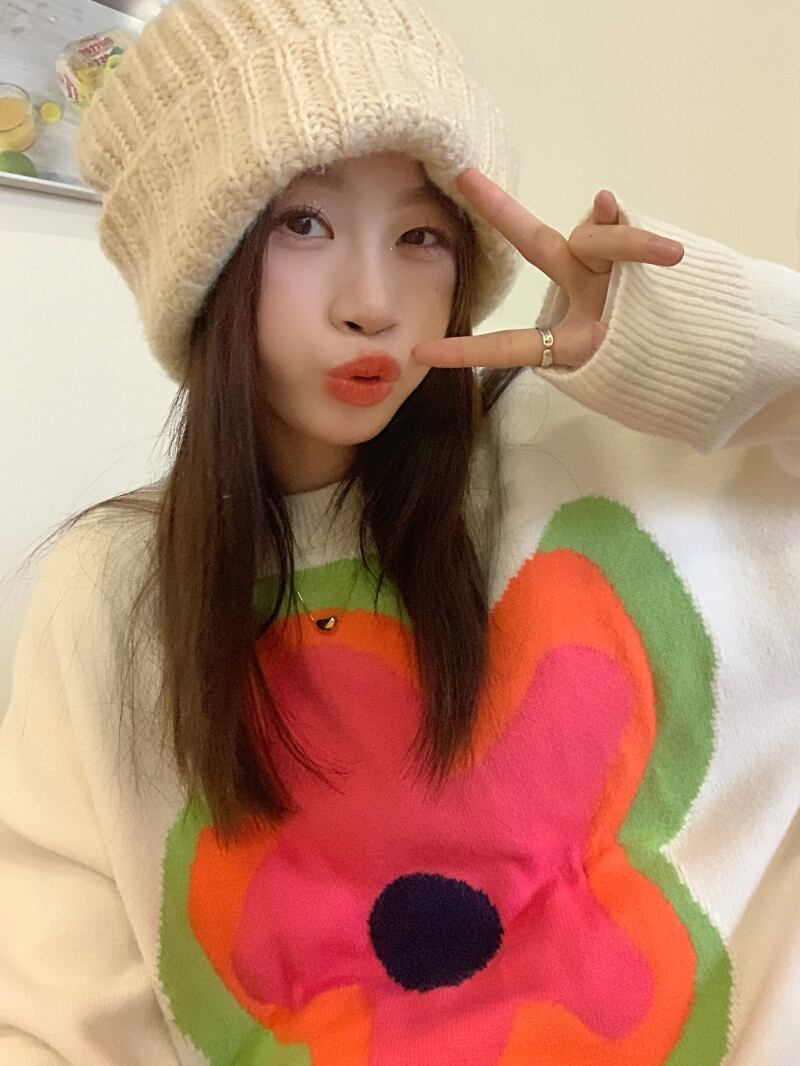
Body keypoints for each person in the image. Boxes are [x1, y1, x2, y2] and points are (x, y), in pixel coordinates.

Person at [0, 0, 798, 1062]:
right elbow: (58, 1022)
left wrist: (711, 350)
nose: (373, 302)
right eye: (303, 224)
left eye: (421, 235)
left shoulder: (607, 448)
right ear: (199, 259)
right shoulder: (112, 590)